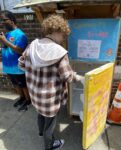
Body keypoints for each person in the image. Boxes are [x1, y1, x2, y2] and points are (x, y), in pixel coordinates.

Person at [18, 14, 83, 150]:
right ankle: (50, 146)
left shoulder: (32, 46)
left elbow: (21, 65)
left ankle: (41, 133)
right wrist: (78, 77)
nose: (63, 39)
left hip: (35, 94)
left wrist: (34, 70)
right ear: (56, 31)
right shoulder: (60, 52)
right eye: (63, 35)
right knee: (50, 124)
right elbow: (68, 77)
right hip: (50, 98)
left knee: (40, 114)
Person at [0, 11, 30, 111]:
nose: (2, 23)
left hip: (17, 66)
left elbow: (20, 50)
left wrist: (4, 41)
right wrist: (3, 44)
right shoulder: (7, 34)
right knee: (16, 84)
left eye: (4, 20)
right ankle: (21, 98)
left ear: (12, 20)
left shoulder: (20, 34)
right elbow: (7, 47)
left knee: (23, 84)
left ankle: (28, 100)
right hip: (8, 66)